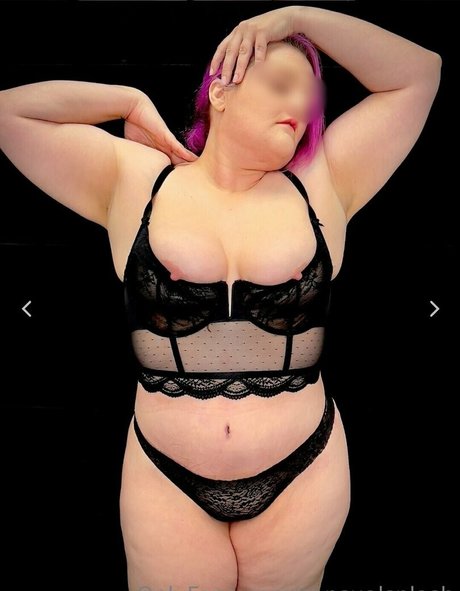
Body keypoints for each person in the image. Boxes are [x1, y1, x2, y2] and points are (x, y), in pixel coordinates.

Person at [0, 4, 441, 591]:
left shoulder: (325, 181)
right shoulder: (135, 179)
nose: (300, 106)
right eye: (281, 84)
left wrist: (296, 17)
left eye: (310, 99)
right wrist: (128, 102)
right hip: (166, 479)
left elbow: (420, 73)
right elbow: (8, 113)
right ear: (220, 92)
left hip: (303, 474)